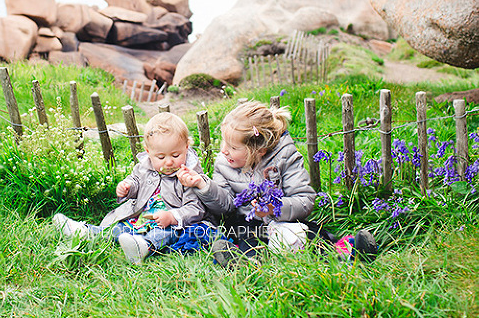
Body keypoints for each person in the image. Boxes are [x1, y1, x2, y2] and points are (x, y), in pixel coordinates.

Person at [177, 100, 376, 266]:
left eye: (233, 147)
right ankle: (241, 263)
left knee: (310, 236)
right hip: (249, 225)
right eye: (224, 143)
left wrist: (275, 209)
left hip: (285, 221)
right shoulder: (224, 162)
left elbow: (304, 200)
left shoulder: (285, 156)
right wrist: (204, 186)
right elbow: (226, 205)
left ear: (259, 151)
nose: (224, 150)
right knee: (247, 241)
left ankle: (347, 252)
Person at [53, 112, 209, 264]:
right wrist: (128, 187)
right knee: (119, 229)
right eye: (161, 157)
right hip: (140, 219)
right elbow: (135, 180)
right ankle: (84, 232)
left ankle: (143, 246)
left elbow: (195, 208)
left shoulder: (190, 176)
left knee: (164, 234)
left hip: (169, 223)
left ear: (187, 147)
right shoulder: (145, 167)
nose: (168, 162)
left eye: (175, 155)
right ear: (148, 152)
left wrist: (173, 216)